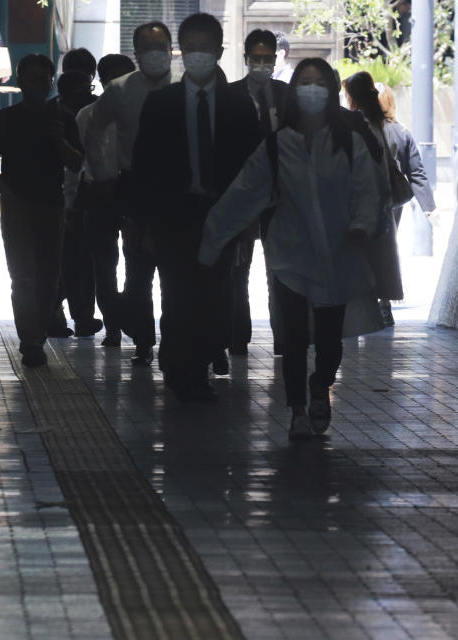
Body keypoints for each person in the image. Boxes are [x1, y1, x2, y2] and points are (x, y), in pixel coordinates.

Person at [199, 58, 380, 440]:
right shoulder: (277, 146)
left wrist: (362, 225)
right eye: (305, 83)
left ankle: (321, 385)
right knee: (293, 335)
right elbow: (244, 193)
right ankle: (297, 407)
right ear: (295, 92)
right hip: (290, 255)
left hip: (337, 252)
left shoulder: (349, 142)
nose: (311, 89)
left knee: (329, 340)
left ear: (330, 92)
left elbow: (367, 188)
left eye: (319, 83)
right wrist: (213, 240)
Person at [132, 13, 260, 401]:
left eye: (206, 48)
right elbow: (145, 167)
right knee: (176, 291)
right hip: (175, 214)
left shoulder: (239, 105)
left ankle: (202, 361)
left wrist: (245, 225)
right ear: (179, 52)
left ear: (220, 52)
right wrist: (145, 225)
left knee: (216, 293)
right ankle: (177, 367)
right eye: (191, 48)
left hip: (222, 215)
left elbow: (251, 168)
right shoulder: (161, 103)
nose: (198, 55)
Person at [0, 54, 83, 367]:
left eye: (45, 78)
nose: (40, 85)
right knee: (23, 275)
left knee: (49, 275)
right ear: (20, 81)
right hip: (17, 207)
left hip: (52, 205)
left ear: (52, 80)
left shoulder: (63, 118)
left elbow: (77, 161)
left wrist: (59, 140)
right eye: (33, 79)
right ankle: (31, 340)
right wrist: (5, 192)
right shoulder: (5, 119)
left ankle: (37, 330)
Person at [86, 21, 174, 366]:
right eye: (147, 49)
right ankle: (143, 341)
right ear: (136, 54)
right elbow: (94, 130)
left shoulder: (185, 87)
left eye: (161, 48)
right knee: (139, 271)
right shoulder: (121, 90)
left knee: (176, 270)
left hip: (176, 188)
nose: (155, 55)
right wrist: (103, 174)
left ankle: (177, 340)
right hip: (135, 187)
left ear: (171, 50)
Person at [225, 29, 289, 356]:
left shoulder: (286, 95)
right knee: (238, 268)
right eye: (257, 59)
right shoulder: (229, 95)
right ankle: (237, 335)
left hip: (281, 195)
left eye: (268, 58)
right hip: (243, 193)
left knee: (280, 268)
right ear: (246, 59)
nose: (263, 64)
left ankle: (284, 336)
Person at [75, 53, 136, 349]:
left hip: (136, 194)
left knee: (138, 265)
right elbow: (77, 165)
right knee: (104, 266)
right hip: (98, 195)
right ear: (100, 82)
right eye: (111, 78)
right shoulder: (87, 115)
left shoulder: (146, 110)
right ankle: (113, 324)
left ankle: (135, 325)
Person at [50, 50, 103, 340]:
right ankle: (83, 316)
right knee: (87, 260)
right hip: (89, 194)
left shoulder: (51, 110)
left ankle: (56, 314)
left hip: (57, 195)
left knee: (60, 259)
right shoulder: (98, 108)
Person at [344, 71, 404, 326]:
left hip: (362, 202)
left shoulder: (357, 123)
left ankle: (366, 310)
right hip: (383, 201)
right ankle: (383, 306)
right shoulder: (379, 123)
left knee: (362, 259)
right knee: (381, 258)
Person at [376, 83, 437, 257]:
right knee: (388, 244)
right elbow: (416, 172)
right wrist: (429, 208)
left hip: (363, 197)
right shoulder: (402, 132)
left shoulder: (359, 128)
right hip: (393, 198)